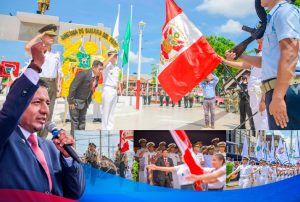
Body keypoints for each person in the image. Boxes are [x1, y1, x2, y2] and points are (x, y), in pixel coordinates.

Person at [0, 42, 85, 199]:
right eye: (36, 102)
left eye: (47, 103)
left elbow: (75, 192)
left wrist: (67, 158)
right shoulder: (5, 140)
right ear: (19, 104)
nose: (45, 110)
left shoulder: (52, 149)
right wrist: (35, 67)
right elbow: (9, 114)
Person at [225, 0, 300, 129]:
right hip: (279, 89)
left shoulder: (285, 11)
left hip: (286, 89)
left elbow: (290, 53)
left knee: (287, 143)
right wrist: (240, 56)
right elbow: (265, 62)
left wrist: (278, 96)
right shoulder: (275, 16)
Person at [25, 24, 62, 138]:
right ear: (43, 37)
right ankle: (32, 137)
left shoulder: (56, 55)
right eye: (49, 35)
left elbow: (58, 73)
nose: (52, 38)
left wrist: (58, 87)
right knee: (37, 112)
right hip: (40, 83)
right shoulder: (38, 51)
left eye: (53, 36)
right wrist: (39, 35)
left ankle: (42, 139)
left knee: (48, 114)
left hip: (52, 84)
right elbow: (27, 47)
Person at [223, 41, 269, 130]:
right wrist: (225, 61)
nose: (256, 38)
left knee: (264, 124)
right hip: (254, 94)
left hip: (261, 94)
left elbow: (269, 77)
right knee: (258, 123)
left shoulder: (269, 52)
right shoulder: (261, 53)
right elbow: (244, 65)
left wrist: (263, 100)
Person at [68, 60, 102, 136]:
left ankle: (80, 140)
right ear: (93, 67)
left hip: (84, 103)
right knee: (75, 124)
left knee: (82, 123)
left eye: (101, 69)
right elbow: (73, 86)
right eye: (99, 69)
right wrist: (71, 101)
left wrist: (88, 102)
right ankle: (73, 143)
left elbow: (92, 89)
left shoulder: (97, 77)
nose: (101, 71)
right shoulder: (83, 74)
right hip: (75, 102)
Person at [102, 50, 120, 130]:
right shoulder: (107, 65)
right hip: (108, 89)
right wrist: (110, 56)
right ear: (111, 56)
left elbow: (117, 79)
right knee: (106, 110)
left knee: (112, 111)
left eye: (116, 56)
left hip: (114, 90)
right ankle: (104, 128)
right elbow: (102, 66)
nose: (116, 57)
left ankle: (110, 127)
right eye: (115, 56)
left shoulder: (116, 67)